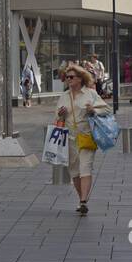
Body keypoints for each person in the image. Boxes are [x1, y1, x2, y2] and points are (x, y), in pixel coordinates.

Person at [54, 64, 110, 215]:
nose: (68, 80)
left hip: (86, 137)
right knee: (74, 172)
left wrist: (93, 110)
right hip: (69, 140)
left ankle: (84, 200)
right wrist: (61, 114)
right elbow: (56, 118)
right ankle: (81, 200)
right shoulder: (64, 97)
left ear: (80, 79)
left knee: (85, 167)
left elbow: (106, 109)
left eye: (71, 77)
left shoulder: (90, 94)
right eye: (67, 77)